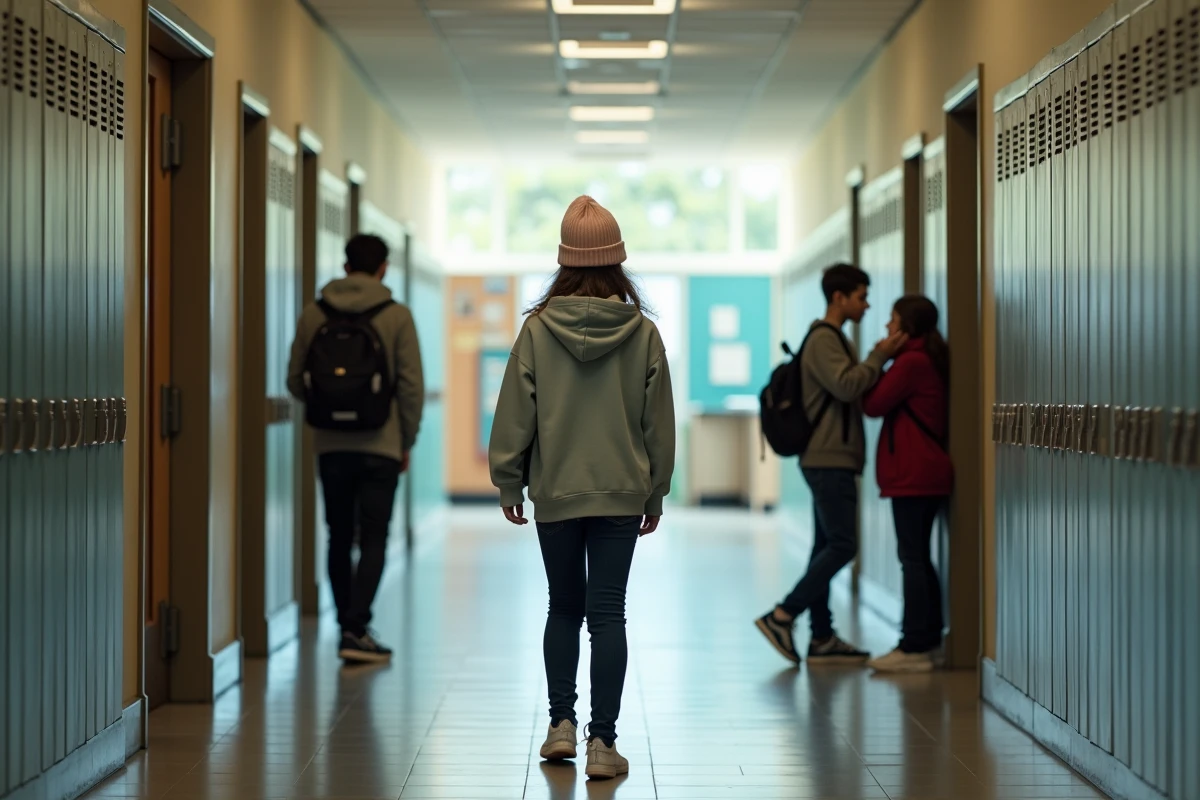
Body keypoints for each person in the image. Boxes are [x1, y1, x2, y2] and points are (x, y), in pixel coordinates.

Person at [488, 196, 675, 780]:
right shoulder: (642, 333)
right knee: (608, 613)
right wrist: (656, 491)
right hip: (620, 492)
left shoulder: (538, 332)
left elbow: (515, 413)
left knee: (563, 607)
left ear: (563, 262)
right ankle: (603, 742)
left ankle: (560, 726)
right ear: (618, 262)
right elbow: (658, 425)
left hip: (557, 492)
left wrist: (508, 480)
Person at [754, 263, 908, 666]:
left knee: (826, 544)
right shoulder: (825, 338)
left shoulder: (832, 337)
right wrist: (879, 356)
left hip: (831, 457)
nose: (867, 304)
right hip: (828, 458)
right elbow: (846, 385)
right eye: (861, 296)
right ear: (839, 297)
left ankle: (821, 636)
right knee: (843, 544)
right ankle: (782, 615)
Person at [287, 233, 424, 664]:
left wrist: (329, 409)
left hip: (331, 445)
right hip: (381, 443)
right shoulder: (397, 315)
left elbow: (294, 378)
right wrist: (406, 438)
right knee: (375, 536)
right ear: (383, 267)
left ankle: (345, 624)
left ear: (346, 266)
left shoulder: (315, 312)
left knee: (338, 535)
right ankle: (356, 627)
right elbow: (411, 386)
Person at [862, 295, 953, 673]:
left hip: (915, 475)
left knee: (912, 559)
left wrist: (879, 358)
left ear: (907, 327)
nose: (886, 327)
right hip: (922, 473)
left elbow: (872, 404)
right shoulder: (921, 358)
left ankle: (914, 645)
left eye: (892, 320)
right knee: (917, 558)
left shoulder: (911, 362)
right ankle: (927, 638)